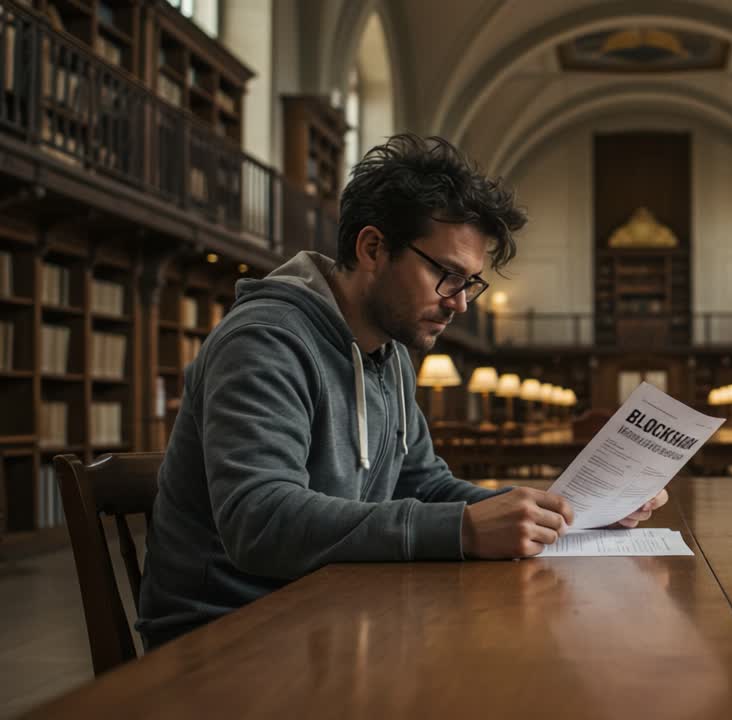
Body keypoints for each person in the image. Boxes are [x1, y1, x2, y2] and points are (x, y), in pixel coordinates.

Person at [137, 135, 668, 648]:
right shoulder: (266, 340)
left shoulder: (387, 354)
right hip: (228, 638)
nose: (460, 303)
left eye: (470, 283)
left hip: (331, 613)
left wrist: (561, 513)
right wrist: (462, 530)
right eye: (447, 275)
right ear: (373, 247)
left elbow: (425, 485)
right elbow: (262, 521)